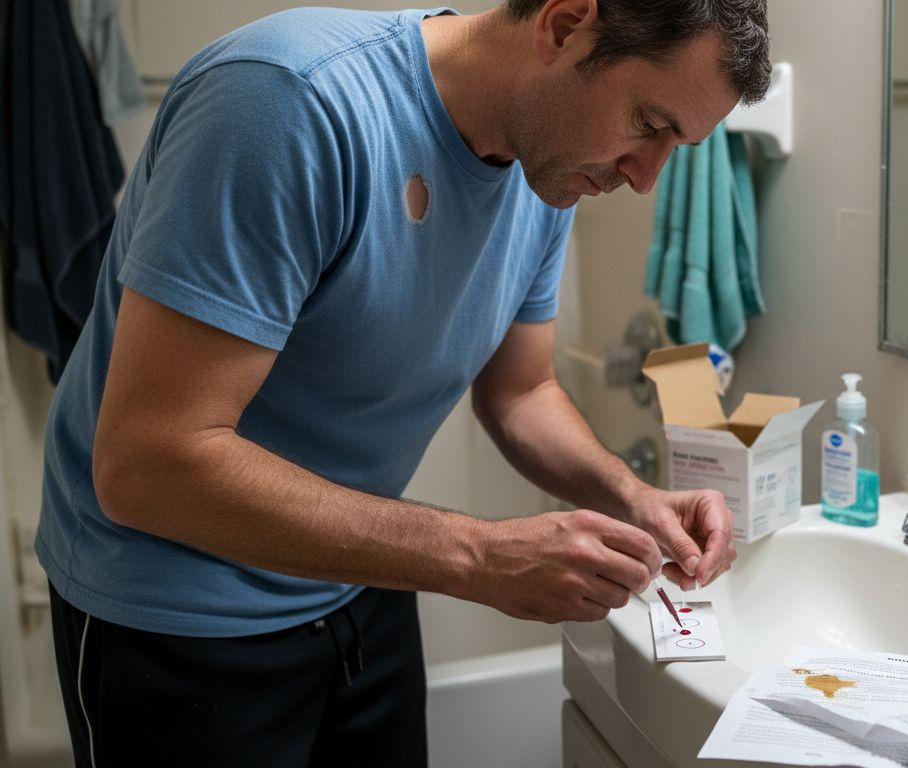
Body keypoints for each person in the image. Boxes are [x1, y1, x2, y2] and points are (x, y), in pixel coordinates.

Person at [34, 0, 770, 764]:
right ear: (563, 25)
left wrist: (633, 497)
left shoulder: (547, 162)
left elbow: (520, 393)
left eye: (674, 144)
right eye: (648, 124)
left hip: (357, 579)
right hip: (179, 616)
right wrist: (480, 558)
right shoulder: (286, 102)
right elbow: (148, 464)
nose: (646, 179)